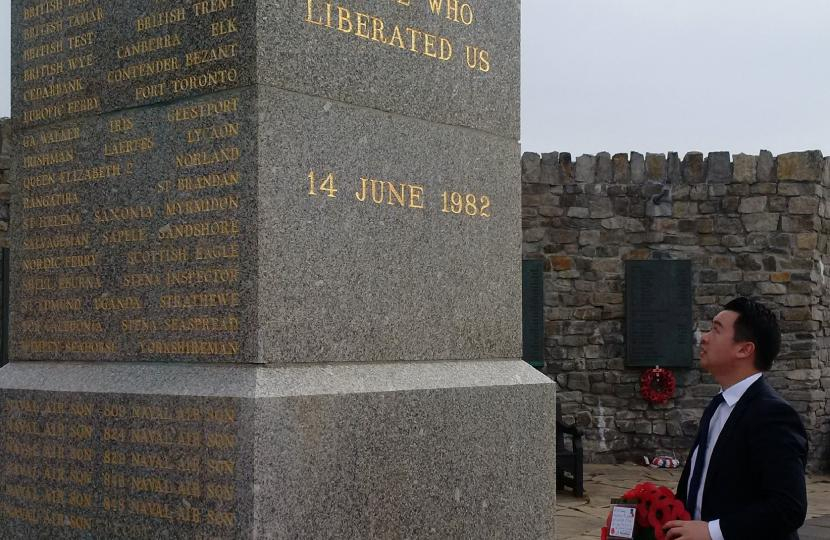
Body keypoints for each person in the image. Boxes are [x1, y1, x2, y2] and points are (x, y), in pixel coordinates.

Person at [664, 297, 808, 540]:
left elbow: (788, 508)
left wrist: (712, 531)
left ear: (744, 349)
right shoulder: (718, 405)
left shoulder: (773, 415)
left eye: (716, 330)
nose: (704, 337)